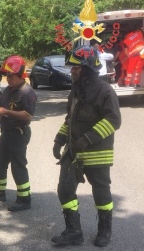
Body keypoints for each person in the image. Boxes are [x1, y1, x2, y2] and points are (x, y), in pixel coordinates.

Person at [51, 45, 121, 247]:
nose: (72, 71)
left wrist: (87, 139)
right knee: (64, 189)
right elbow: (70, 119)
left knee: (101, 194)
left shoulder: (104, 91)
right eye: (72, 67)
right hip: (73, 152)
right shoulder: (75, 90)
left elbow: (114, 120)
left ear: (89, 68)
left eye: (76, 67)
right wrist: (59, 140)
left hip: (98, 153)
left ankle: (104, 230)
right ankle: (73, 231)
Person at [0, 55, 36, 212]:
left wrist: (7, 112)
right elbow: (1, 103)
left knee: (18, 166)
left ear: (20, 75)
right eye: (6, 75)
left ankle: (24, 199)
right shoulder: (8, 90)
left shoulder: (27, 92)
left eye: (10, 76)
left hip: (19, 133)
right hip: (6, 132)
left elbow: (28, 116)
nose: (8, 78)